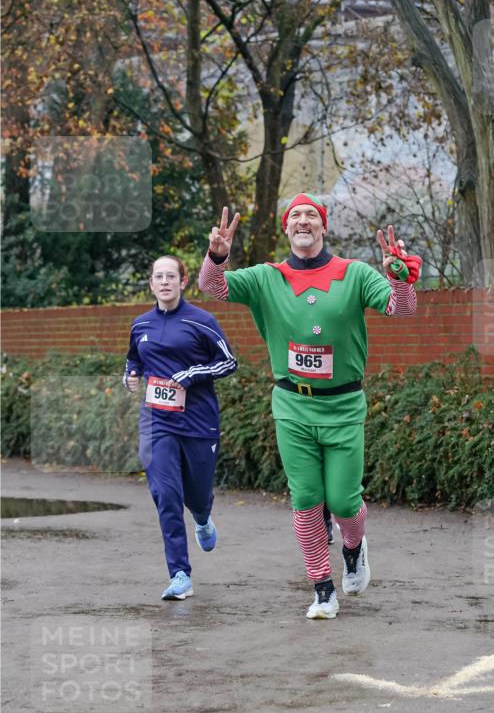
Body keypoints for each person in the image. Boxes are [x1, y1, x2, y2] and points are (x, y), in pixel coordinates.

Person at [198, 194, 421, 619]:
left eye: (311, 216)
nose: (303, 222)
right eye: (295, 216)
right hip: (293, 405)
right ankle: (322, 588)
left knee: (341, 501)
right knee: (305, 498)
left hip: (343, 406)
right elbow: (212, 286)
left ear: (323, 227)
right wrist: (217, 255)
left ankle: (354, 548)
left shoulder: (353, 274)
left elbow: (402, 309)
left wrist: (400, 279)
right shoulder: (267, 277)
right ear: (287, 228)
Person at [124, 255, 237, 600]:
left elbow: (229, 361)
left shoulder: (201, 321)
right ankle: (180, 574)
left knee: (197, 493)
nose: (164, 282)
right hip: (158, 421)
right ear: (151, 283)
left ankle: (203, 517)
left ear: (183, 281)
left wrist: (194, 374)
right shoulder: (140, 325)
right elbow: (134, 359)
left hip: (199, 423)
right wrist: (129, 375)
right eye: (158, 276)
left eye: (171, 276)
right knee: (166, 495)